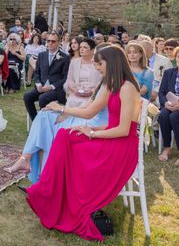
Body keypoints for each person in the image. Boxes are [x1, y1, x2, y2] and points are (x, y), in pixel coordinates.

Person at [25, 46, 141, 242]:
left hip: (120, 146)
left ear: (112, 63)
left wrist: (94, 133)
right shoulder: (113, 84)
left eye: (99, 63)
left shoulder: (128, 87)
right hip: (109, 135)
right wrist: (90, 130)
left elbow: (123, 129)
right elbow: (107, 120)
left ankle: (54, 195)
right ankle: (48, 190)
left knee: (71, 145)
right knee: (65, 135)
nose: (96, 67)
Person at [4, 42, 106, 182]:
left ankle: (41, 174)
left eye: (98, 62)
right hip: (78, 106)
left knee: (47, 126)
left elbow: (89, 112)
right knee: (43, 115)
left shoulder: (108, 84)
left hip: (92, 121)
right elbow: (72, 87)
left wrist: (62, 109)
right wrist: (65, 112)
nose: (95, 64)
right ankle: (27, 160)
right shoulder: (102, 79)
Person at [23, 32, 70, 121]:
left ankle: (45, 122)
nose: (50, 43)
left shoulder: (65, 58)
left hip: (56, 89)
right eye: (48, 41)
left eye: (53, 41)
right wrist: (38, 84)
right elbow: (37, 72)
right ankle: (36, 120)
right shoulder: (42, 55)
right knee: (27, 96)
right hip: (41, 86)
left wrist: (51, 87)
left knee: (42, 98)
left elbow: (65, 78)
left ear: (59, 42)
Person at [63, 38, 101, 107]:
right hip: (77, 92)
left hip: (93, 94)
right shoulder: (74, 62)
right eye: (80, 47)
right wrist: (75, 90)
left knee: (86, 105)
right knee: (72, 102)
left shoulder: (98, 63)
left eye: (85, 47)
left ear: (92, 50)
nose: (81, 49)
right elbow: (70, 79)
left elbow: (101, 82)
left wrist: (92, 91)